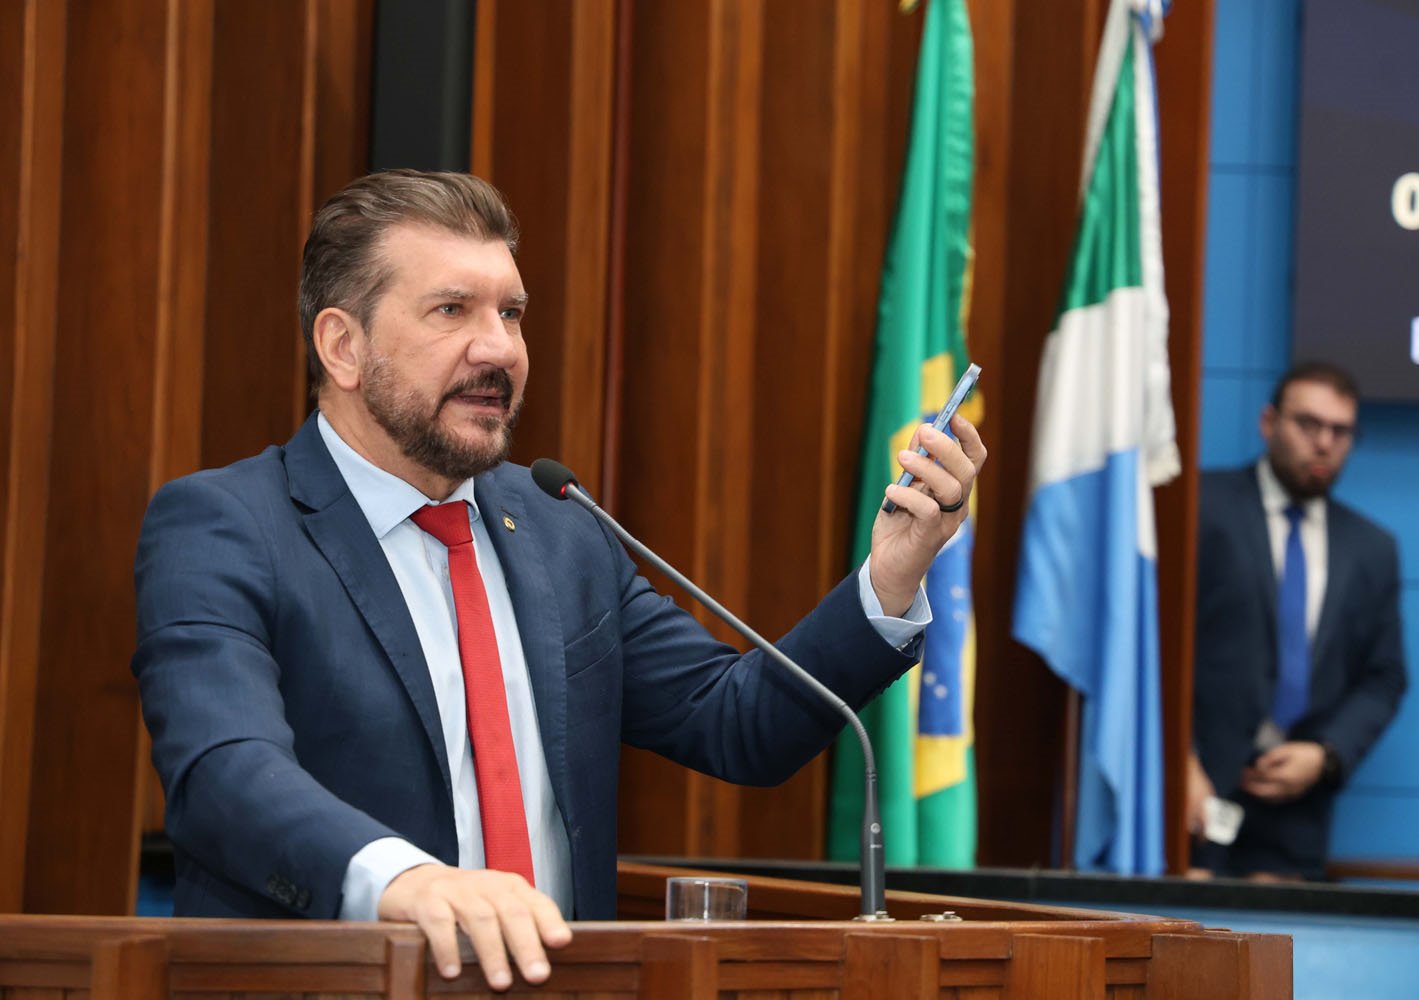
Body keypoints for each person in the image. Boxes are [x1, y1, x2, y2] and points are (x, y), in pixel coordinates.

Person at [131, 169, 986, 990]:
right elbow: (224, 774)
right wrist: (407, 882)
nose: (499, 348)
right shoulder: (227, 527)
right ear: (343, 346)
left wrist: (891, 574)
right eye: (452, 310)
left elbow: (738, 723)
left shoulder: (559, 528)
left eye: (511, 312)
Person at [1187, 361, 1406, 880]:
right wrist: (1178, 763)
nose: (1324, 443)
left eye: (1340, 431)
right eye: (1309, 424)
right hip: (1194, 792)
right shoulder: (1199, 507)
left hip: (1296, 815)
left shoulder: (1372, 549)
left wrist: (1326, 755)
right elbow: (1152, 644)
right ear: (1269, 423)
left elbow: (1384, 677)